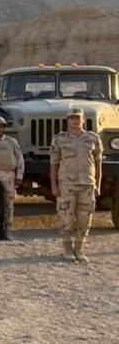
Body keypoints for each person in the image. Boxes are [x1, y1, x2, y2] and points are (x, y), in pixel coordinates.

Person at [50, 108, 103, 262]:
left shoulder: (93, 138)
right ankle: (67, 249)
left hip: (87, 184)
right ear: (67, 120)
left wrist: (98, 184)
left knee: (84, 219)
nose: (75, 120)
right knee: (66, 218)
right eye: (72, 118)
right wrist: (54, 185)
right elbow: (54, 164)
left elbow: (98, 163)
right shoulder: (59, 139)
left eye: (78, 118)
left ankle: (79, 249)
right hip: (67, 184)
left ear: (83, 120)